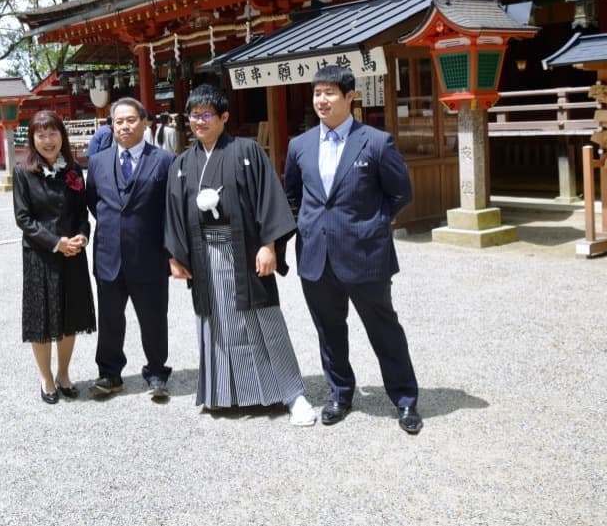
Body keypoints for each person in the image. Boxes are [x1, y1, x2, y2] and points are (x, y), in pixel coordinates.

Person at [164, 84, 316, 424]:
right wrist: (175, 257)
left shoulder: (247, 151)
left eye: (206, 115)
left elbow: (269, 199)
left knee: (264, 321)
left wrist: (268, 245)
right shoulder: (182, 164)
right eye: (194, 115)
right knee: (217, 323)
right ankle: (226, 393)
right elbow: (172, 212)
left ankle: (293, 395)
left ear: (224, 117)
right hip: (204, 257)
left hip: (246, 253)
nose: (199, 121)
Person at [282, 64, 422, 435]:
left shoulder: (376, 142)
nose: (321, 100)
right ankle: (340, 393)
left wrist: (371, 225)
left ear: (349, 97)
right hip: (316, 255)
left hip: (364, 253)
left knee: (383, 328)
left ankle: (405, 399)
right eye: (317, 93)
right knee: (329, 330)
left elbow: (401, 194)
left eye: (329, 93)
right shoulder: (300, 145)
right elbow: (293, 195)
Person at [85, 98, 175, 400]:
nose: (125, 126)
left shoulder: (164, 161)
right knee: (110, 319)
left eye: (131, 120)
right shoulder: (97, 162)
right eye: (119, 121)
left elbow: (171, 209)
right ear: (112, 125)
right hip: (109, 254)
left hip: (149, 254)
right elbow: (95, 202)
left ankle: (157, 372)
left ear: (145, 122)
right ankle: (110, 373)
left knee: (153, 317)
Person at [12, 110, 96, 404]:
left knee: (69, 317)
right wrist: (55, 242)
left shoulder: (73, 171)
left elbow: (81, 213)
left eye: (53, 133)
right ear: (32, 139)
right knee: (42, 317)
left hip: (73, 252)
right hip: (40, 255)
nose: (48, 140)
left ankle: (63, 373)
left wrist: (83, 237)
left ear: (63, 135)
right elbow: (23, 218)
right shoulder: (23, 171)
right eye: (41, 134)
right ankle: (46, 377)